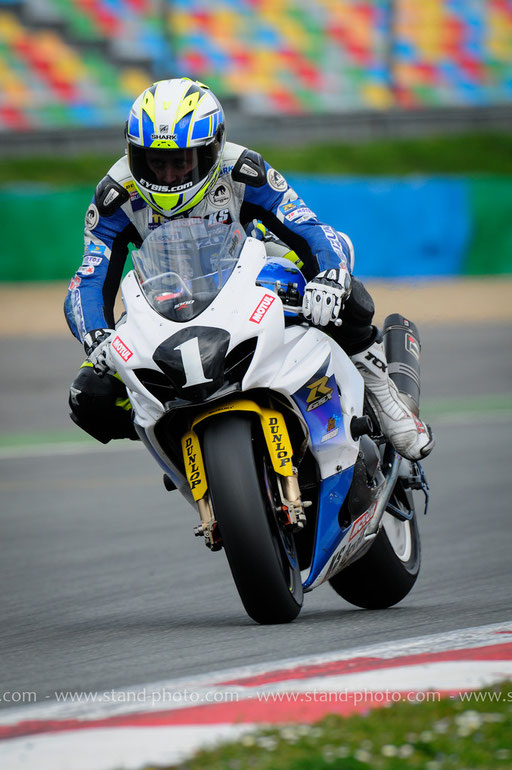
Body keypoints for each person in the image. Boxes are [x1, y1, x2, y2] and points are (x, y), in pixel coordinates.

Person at [65, 77, 434, 461]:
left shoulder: (243, 170)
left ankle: (385, 397)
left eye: (181, 161)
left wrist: (329, 275)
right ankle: (182, 434)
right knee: (90, 396)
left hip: (251, 273)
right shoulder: (115, 194)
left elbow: (310, 229)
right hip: (169, 295)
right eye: (155, 163)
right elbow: (88, 279)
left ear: (212, 149)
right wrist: (95, 335)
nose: (169, 176)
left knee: (346, 299)